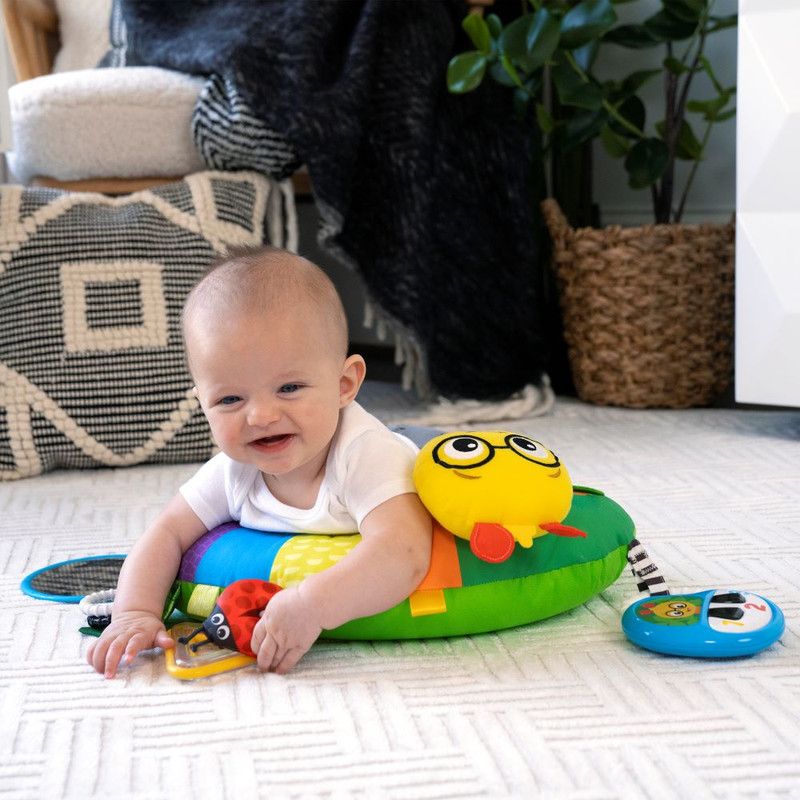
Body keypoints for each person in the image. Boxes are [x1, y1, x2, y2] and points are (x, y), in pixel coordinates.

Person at [86, 246, 433, 677]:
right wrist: (135, 611)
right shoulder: (234, 471)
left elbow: (405, 551)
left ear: (345, 384)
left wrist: (312, 604)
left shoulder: (366, 454)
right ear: (203, 404)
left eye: (289, 388)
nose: (261, 416)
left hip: (414, 449)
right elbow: (167, 532)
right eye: (230, 399)